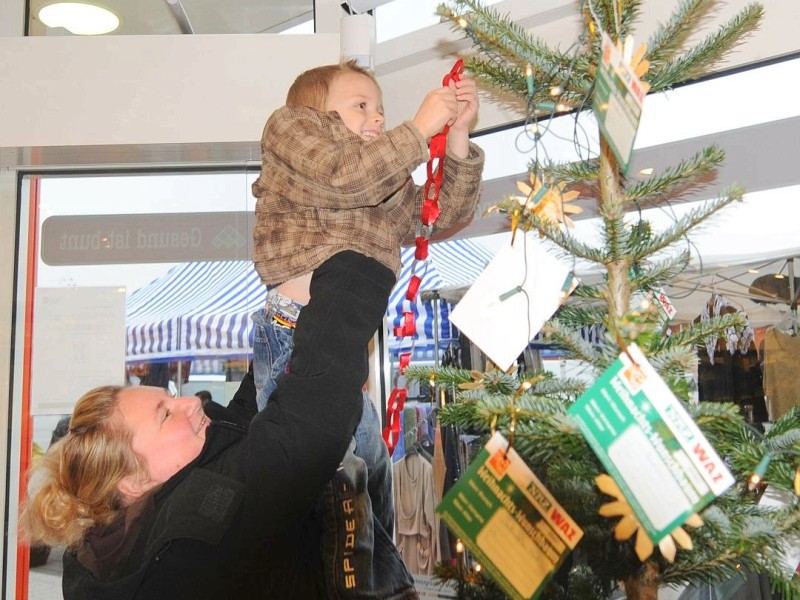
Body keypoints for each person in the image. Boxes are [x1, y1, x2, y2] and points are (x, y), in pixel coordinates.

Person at [20, 250, 399, 600]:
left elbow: (246, 412)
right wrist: (361, 260)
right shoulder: (193, 540)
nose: (190, 402)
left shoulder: (108, 540)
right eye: (166, 414)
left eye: (170, 396)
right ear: (132, 481)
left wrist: (283, 309)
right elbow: (309, 418)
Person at [250, 60, 484, 595]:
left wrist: (459, 141)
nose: (377, 117)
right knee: (333, 486)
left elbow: (434, 215)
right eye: (362, 105)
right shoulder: (291, 130)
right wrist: (417, 128)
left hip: (342, 345)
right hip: (295, 338)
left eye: (381, 109)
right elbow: (342, 177)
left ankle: (388, 587)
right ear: (315, 109)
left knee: (369, 476)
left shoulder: (380, 173)